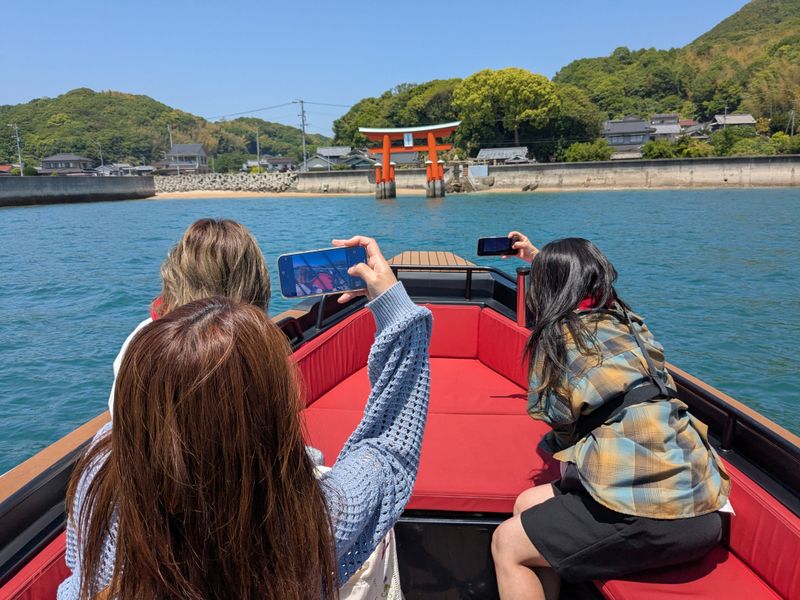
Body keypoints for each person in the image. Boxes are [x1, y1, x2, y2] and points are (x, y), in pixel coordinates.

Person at [58, 236, 432, 599]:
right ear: (273, 410)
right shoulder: (311, 525)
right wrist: (394, 307)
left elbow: (80, 573)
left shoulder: (99, 479)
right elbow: (387, 450)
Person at [491, 233, 731, 600]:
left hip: (656, 519)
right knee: (527, 504)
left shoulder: (559, 338)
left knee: (507, 544)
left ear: (546, 290)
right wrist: (541, 258)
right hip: (706, 512)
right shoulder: (629, 323)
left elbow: (554, 417)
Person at [108, 218, 270, 415]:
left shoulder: (142, 340)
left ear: (177, 274)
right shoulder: (258, 345)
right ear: (255, 282)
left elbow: (120, 415)